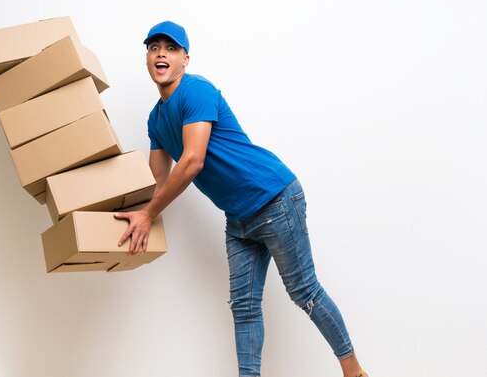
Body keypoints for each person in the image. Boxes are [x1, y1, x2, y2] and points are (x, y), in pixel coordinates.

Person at [114, 21, 368, 377]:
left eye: (171, 48)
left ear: (185, 58)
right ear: (147, 59)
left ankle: (354, 372)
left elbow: (192, 161)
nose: (161, 53)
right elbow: (157, 179)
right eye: (154, 47)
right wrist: (134, 214)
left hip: (274, 198)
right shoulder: (156, 120)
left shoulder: (196, 91)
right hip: (238, 219)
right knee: (244, 308)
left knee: (304, 292)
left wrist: (150, 212)